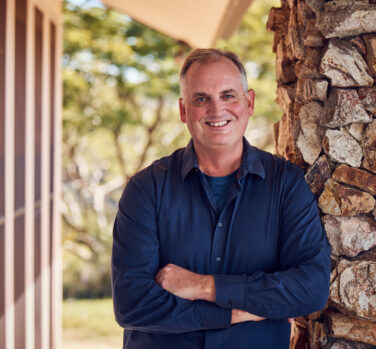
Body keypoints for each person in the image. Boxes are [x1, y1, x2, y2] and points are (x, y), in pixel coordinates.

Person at [111, 48, 331, 349]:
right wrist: (238, 311)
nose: (217, 109)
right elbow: (132, 304)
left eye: (228, 95)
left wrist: (202, 286)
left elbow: (311, 289)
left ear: (249, 102)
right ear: (184, 110)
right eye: (201, 98)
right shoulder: (146, 189)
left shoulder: (286, 186)